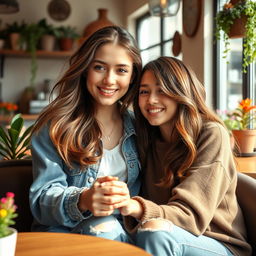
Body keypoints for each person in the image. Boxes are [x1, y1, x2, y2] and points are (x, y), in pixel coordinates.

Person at [112, 57, 251, 255]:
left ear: (181, 92)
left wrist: (135, 206)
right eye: (144, 91)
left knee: (155, 232)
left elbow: (190, 215)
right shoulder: (146, 137)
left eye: (162, 90)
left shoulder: (211, 133)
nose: (151, 100)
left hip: (218, 244)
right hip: (161, 232)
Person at [29, 26, 142, 242]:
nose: (109, 80)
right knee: (105, 227)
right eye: (99, 67)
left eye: (121, 70)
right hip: (64, 236)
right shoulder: (55, 126)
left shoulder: (140, 128)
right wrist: (84, 199)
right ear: (85, 68)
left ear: (132, 76)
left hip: (123, 236)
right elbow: (41, 200)